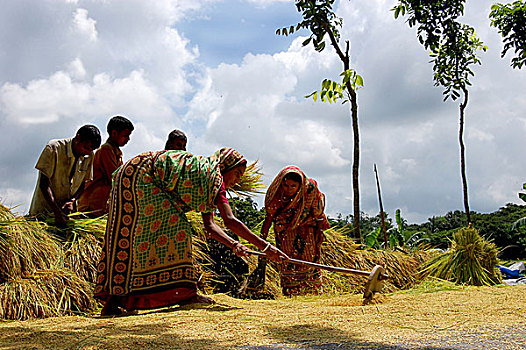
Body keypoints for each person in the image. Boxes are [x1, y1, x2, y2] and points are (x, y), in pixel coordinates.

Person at [94, 147, 288, 316]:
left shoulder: (206, 180)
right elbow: (230, 220)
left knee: (133, 237)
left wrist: (234, 245)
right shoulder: (213, 178)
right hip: (140, 176)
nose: (237, 181)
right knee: (179, 231)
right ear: (225, 167)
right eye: (237, 173)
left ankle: (116, 301)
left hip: (131, 174)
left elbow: (210, 227)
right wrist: (267, 247)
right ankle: (184, 294)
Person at [260, 166, 330, 296]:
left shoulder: (310, 190)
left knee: (309, 261)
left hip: (307, 229)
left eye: (293, 186)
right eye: (286, 185)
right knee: (288, 261)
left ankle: (311, 293)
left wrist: (320, 232)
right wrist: (261, 242)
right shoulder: (276, 195)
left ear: (300, 185)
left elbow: (317, 212)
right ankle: (291, 293)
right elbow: (269, 218)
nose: (289, 190)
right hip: (286, 233)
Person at [29, 125, 102, 227]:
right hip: (44, 213)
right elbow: (44, 183)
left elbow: (83, 183)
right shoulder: (54, 148)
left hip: (67, 215)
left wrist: (72, 201)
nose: (87, 152)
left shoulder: (88, 155)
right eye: (85, 147)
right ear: (78, 138)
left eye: (91, 149)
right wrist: (57, 211)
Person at [77, 116, 134, 216]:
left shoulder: (116, 153)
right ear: (114, 133)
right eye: (125, 136)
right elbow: (116, 177)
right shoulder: (106, 150)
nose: (128, 139)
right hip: (92, 204)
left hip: (100, 205)